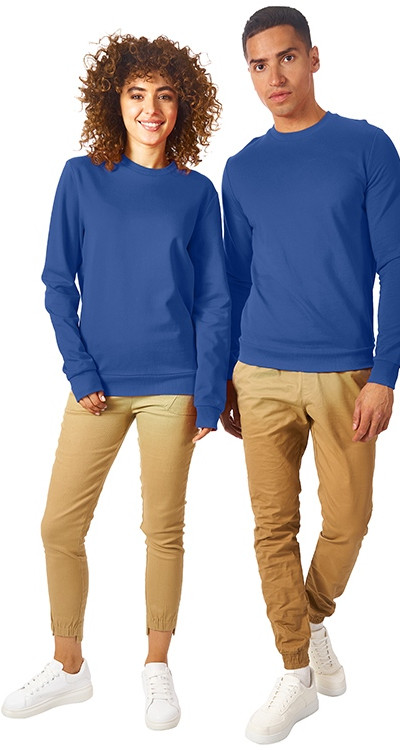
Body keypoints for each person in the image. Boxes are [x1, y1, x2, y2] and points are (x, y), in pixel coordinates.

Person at [2, 33, 230, 729]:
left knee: (162, 528)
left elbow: (214, 300)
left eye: (165, 96)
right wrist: (80, 370)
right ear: (115, 101)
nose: (151, 109)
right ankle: (70, 667)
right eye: (137, 95)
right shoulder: (81, 178)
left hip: (174, 385)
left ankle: (157, 666)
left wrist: (209, 392)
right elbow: (55, 285)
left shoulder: (196, 193)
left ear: (183, 106)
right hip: (96, 384)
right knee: (58, 526)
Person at [221, 6, 400, 744]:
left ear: (313, 58)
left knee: (349, 521)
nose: (274, 76)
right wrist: (225, 375)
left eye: (286, 58)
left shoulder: (366, 146)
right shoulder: (242, 168)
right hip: (259, 370)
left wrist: (385, 373)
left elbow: (399, 263)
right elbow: (234, 279)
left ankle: (312, 617)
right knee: (273, 528)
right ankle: (296, 671)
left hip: (346, 374)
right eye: (259, 65)